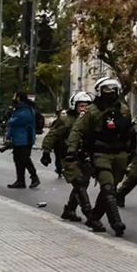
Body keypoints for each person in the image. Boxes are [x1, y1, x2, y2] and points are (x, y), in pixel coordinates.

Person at [67, 77, 135, 236]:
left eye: (113, 89)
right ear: (99, 91)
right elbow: (77, 130)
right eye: (106, 89)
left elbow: (130, 132)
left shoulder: (124, 110)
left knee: (109, 190)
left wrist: (133, 151)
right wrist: (71, 150)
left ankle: (94, 217)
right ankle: (116, 223)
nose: (110, 92)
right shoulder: (91, 111)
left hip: (121, 155)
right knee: (108, 187)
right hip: (101, 153)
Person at [43, 92, 93, 221]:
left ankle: (69, 210)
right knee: (79, 183)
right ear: (74, 106)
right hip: (67, 156)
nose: (84, 109)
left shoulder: (91, 120)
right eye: (81, 106)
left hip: (84, 156)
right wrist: (46, 152)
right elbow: (52, 135)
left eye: (87, 106)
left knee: (82, 184)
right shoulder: (66, 120)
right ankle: (90, 214)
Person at [3, 91, 42, 189]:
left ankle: (34, 177)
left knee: (24, 159)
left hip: (25, 138)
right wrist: (8, 137)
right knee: (18, 160)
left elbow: (18, 120)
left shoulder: (26, 109)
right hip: (18, 138)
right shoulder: (17, 109)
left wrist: (10, 120)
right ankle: (20, 180)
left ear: (19, 97)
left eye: (14, 96)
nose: (13, 97)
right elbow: (12, 125)